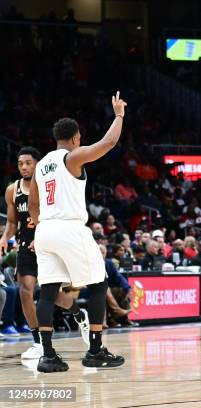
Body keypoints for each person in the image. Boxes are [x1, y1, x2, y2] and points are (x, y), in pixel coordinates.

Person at [29, 92, 126, 372]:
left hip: (45, 229)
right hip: (69, 227)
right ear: (74, 138)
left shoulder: (40, 166)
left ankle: (48, 356)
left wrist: (39, 230)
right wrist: (119, 114)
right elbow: (108, 142)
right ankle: (95, 350)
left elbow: (33, 204)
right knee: (98, 285)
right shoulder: (71, 157)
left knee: (47, 294)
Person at [0, 147, 89, 360]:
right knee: (25, 290)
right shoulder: (13, 190)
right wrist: (4, 237)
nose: (23, 167)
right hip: (26, 245)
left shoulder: (50, 186)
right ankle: (38, 341)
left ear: (38, 164)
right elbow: (13, 222)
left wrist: (43, 236)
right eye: (20, 163)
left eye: (28, 163)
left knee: (50, 294)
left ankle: (78, 312)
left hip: (49, 242)